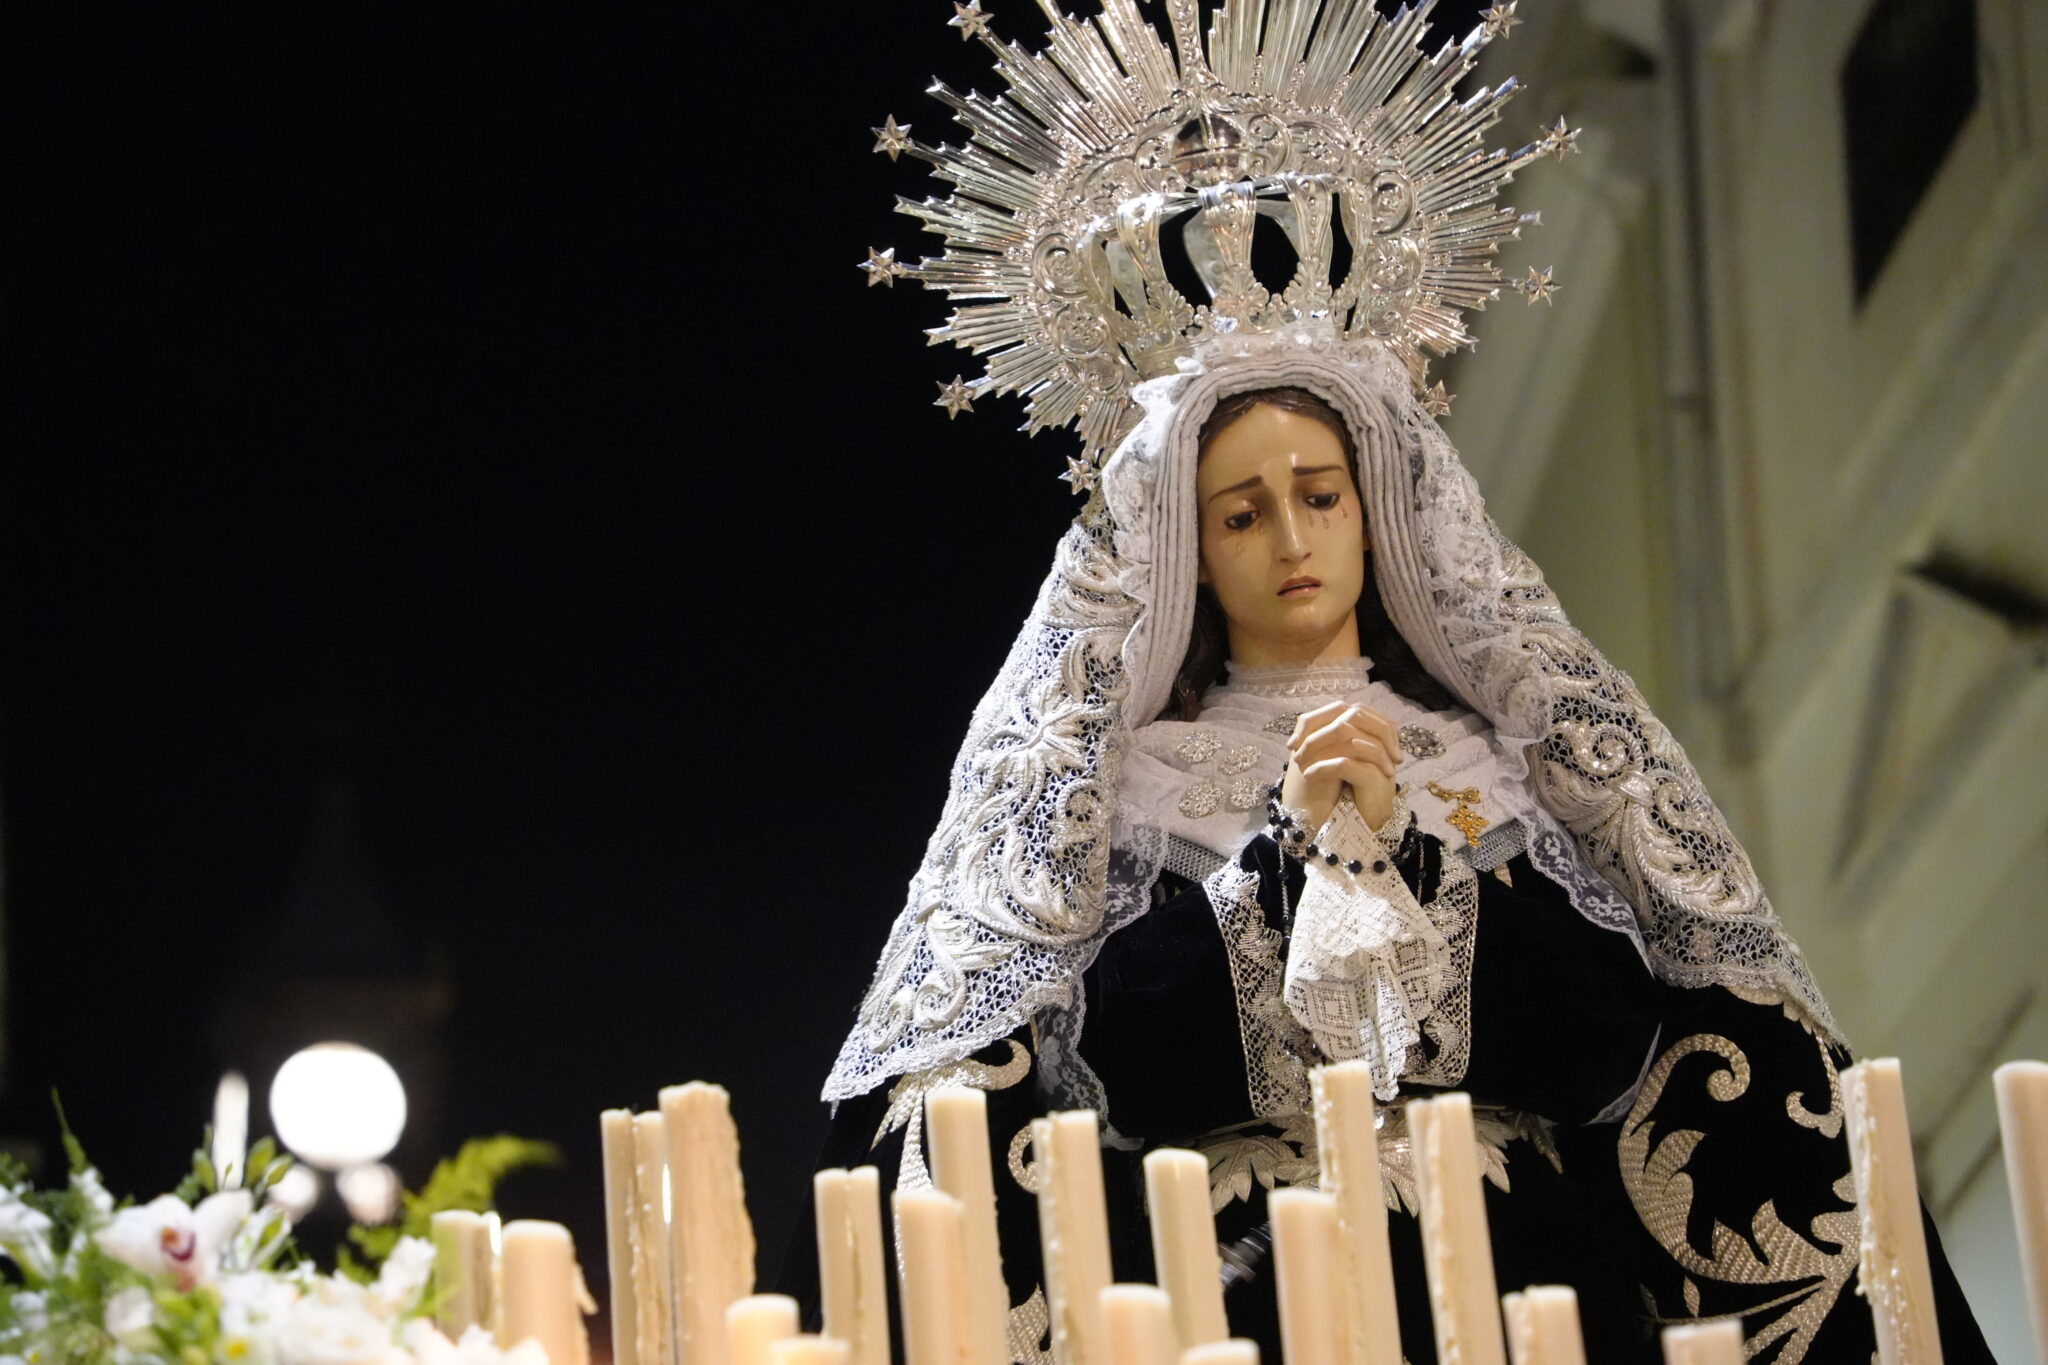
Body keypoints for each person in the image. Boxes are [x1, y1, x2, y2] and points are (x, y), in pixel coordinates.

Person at [788, 3, 1995, 1360]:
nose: (1291, 540)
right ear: (1184, 546)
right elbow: (1090, 1069)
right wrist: (1287, 879)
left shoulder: (1504, 764)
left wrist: (1408, 874)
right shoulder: (1126, 797)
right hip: (1233, 1306)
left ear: (1382, 508)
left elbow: (1626, 1044)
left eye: (1320, 494)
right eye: (1241, 513)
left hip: (1532, 1303)